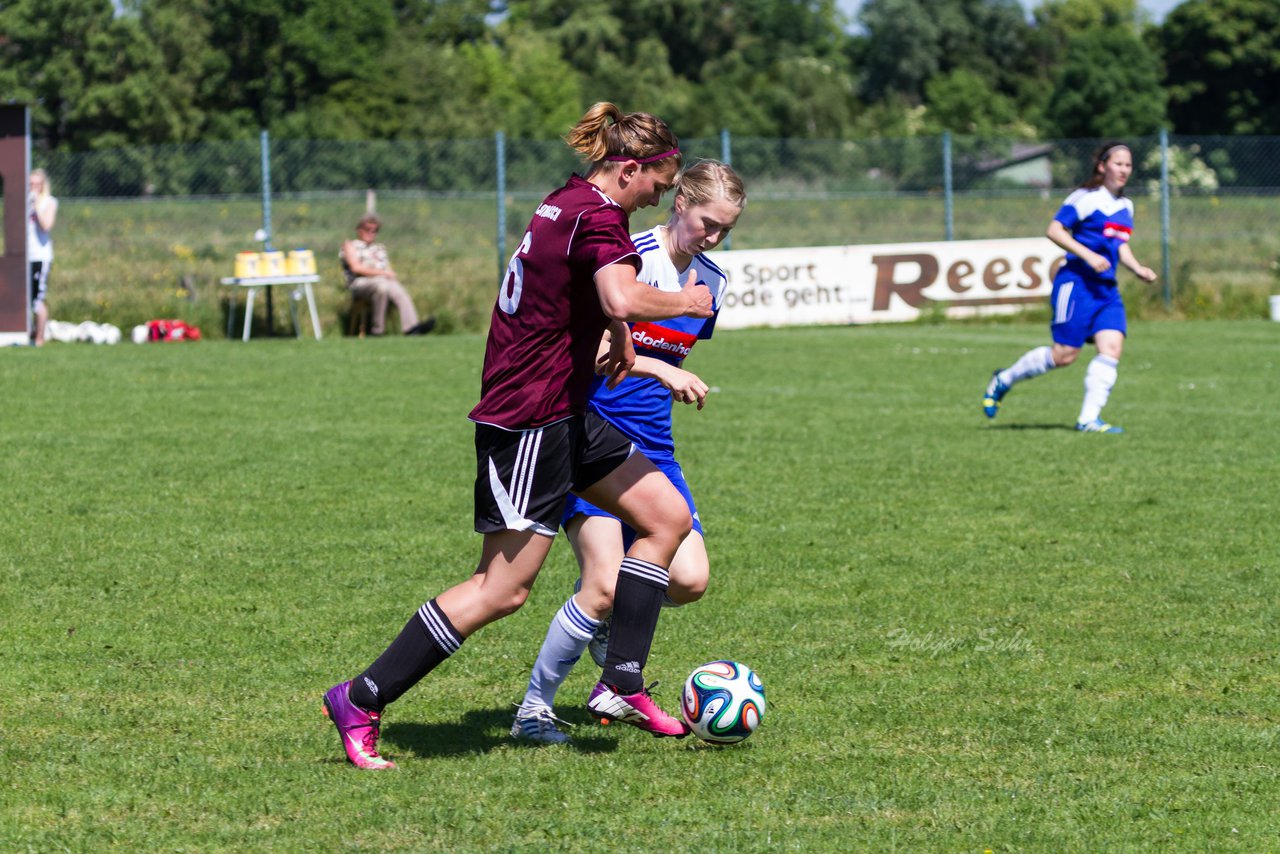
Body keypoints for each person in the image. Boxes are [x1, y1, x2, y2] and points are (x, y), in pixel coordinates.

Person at [322, 102, 715, 770]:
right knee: (501, 590)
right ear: (628, 169)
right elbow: (619, 296)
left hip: (566, 407)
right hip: (530, 418)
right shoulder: (597, 217)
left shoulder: (569, 199)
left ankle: (620, 677)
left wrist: (614, 335)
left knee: (666, 516)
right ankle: (361, 696)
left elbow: (580, 298)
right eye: (659, 181)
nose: (661, 195)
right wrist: (684, 302)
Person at [510, 160, 746, 744]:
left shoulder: (711, 282)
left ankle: (609, 643)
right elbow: (581, 347)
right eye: (706, 222)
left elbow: (672, 350)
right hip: (588, 435)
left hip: (655, 449)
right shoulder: (628, 255)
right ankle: (534, 710)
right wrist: (661, 369)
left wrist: (664, 372)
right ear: (679, 201)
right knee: (602, 583)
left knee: (690, 579)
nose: (712, 237)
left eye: (725, 229)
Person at [982, 142, 1157, 433]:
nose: (1124, 170)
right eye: (1118, 163)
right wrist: (1087, 255)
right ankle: (1004, 379)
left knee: (1112, 348)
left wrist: (1137, 268)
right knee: (1064, 355)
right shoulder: (1086, 198)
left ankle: (1088, 420)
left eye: (1128, 165)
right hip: (1075, 284)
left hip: (1106, 290)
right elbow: (1054, 230)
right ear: (1102, 166)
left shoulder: (1126, 206)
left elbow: (1120, 245)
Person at [340, 214, 437, 336]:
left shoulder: (379, 248)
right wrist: (383, 273)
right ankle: (377, 331)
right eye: (367, 229)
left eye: (375, 230)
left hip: (382, 282)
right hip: (360, 284)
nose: (371, 232)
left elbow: (388, 271)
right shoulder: (351, 245)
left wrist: (389, 276)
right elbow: (356, 268)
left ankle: (412, 328)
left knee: (393, 286)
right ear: (359, 230)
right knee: (382, 285)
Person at [27, 169, 58, 347]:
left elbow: (46, 225)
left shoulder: (49, 202)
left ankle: (39, 338)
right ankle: (29, 332)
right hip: (25, 257)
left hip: (40, 256)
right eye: (30, 184)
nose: (33, 188)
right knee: (26, 298)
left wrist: (37, 205)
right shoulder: (25, 203)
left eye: (37, 184)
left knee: (38, 298)